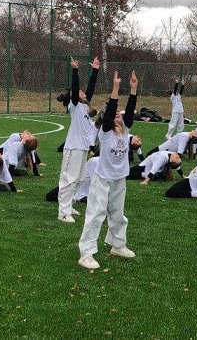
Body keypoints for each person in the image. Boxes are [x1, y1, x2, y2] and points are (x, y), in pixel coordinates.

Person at [77, 70, 138, 270]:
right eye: (116, 115)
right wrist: (115, 89)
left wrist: (133, 89)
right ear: (110, 119)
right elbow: (112, 110)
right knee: (96, 213)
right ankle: (86, 253)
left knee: (118, 214)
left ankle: (118, 245)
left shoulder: (125, 131)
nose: (120, 116)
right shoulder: (105, 134)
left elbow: (129, 112)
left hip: (119, 179)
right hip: (102, 179)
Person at [57, 57, 99, 224]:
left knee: (80, 178)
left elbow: (90, 89)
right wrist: (75, 70)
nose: (83, 93)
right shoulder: (74, 106)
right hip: (73, 148)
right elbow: (76, 89)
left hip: (82, 149)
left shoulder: (85, 106)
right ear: (74, 96)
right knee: (69, 178)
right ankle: (63, 212)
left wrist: (95, 70)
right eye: (80, 92)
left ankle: (70, 205)